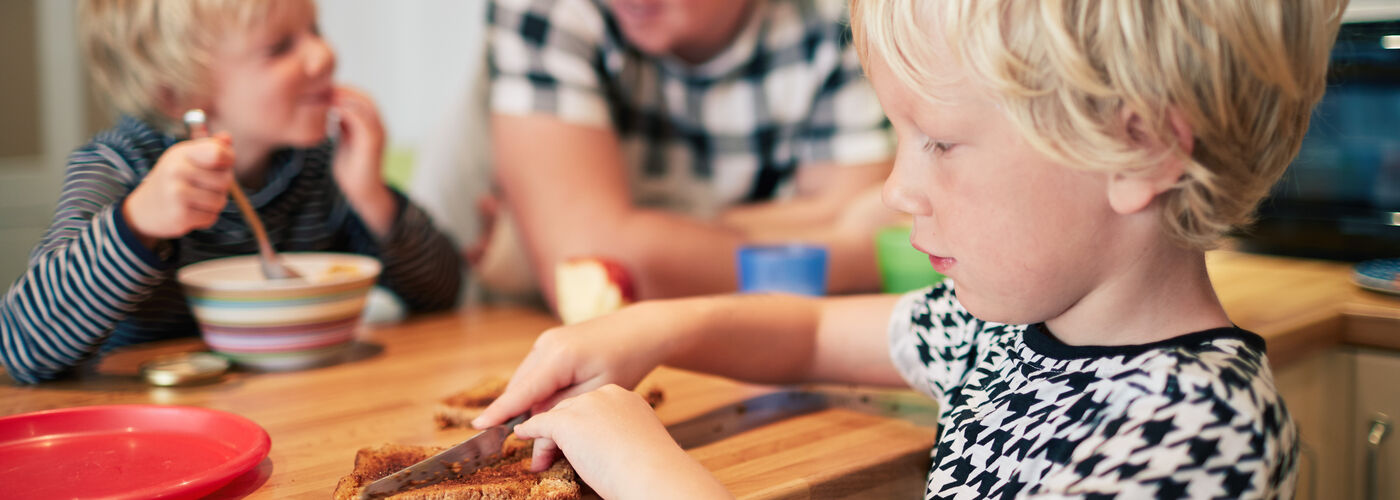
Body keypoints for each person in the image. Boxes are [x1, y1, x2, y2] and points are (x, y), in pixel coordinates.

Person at [471, 0, 1346, 497]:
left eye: (939, 143)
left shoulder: (1196, 433)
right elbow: (809, 336)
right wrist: (648, 331)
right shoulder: (1011, 329)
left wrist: (645, 466)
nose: (895, 190)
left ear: (1140, 149)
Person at [0, 0, 462, 384]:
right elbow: (22, 348)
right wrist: (137, 223)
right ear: (176, 95)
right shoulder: (118, 168)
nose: (325, 55)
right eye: (280, 47)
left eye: (314, 30)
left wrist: (371, 195)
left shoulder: (320, 166)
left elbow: (442, 292)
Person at [481, 0, 899, 308]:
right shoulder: (540, 9)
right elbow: (590, 272)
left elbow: (868, 218)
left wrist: (636, 233)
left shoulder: (843, 14)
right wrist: (848, 255)